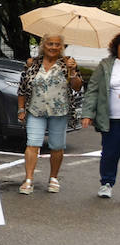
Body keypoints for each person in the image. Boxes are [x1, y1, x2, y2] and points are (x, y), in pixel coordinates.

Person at [15, 34, 83, 195]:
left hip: (59, 111)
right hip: (36, 110)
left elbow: (77, 87)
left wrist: (73, 71)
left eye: (57, 44)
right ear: (43, 45)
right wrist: (21, 109)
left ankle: (53, 178)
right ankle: (29, 179)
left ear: (62, 47)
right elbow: (22, 88)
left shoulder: (68, 63)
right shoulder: (32, 63)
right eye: (50, 44)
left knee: (57, 146)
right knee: (32, 143)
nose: (53, 47)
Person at [79, 32, 120, 198]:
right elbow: (93, 90)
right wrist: (87, 113)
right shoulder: (105, 65)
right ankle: (107, 183)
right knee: (110, 152)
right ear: (115, 48)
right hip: (111, 119)